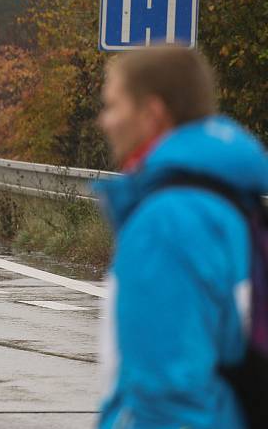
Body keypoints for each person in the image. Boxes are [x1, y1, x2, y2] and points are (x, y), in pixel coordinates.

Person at [94, 46, 268, 429]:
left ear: (152, 114)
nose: (104, 122)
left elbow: (168, 395)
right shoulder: (222, 200)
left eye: (113, 105)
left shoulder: (168, 222)